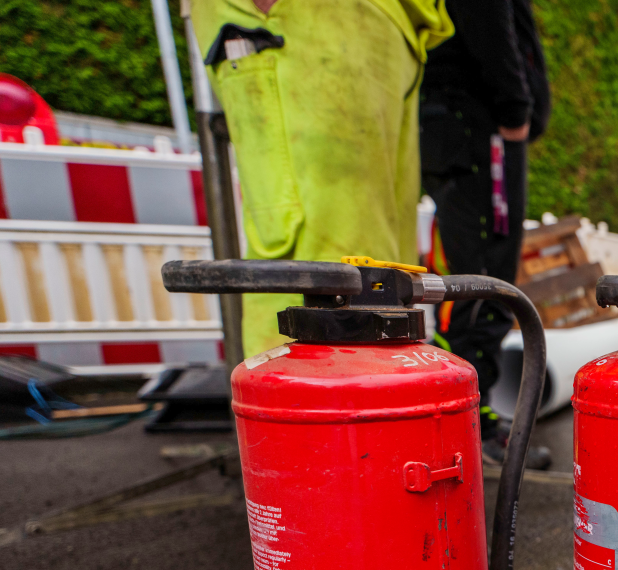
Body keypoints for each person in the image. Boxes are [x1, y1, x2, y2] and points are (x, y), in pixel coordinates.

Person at [190, 0, 454, 356]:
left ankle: (376, 386)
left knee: (383, 269)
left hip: (395, 23)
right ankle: (302, 390)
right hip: (306, 21)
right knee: (327, 282)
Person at [421, 0, 550, 461]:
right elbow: (486, 17)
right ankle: (467, 420)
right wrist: (515, 110)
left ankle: (469, 412)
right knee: (481, 280)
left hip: (470, 125)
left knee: (479, 277)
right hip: (478, 128)